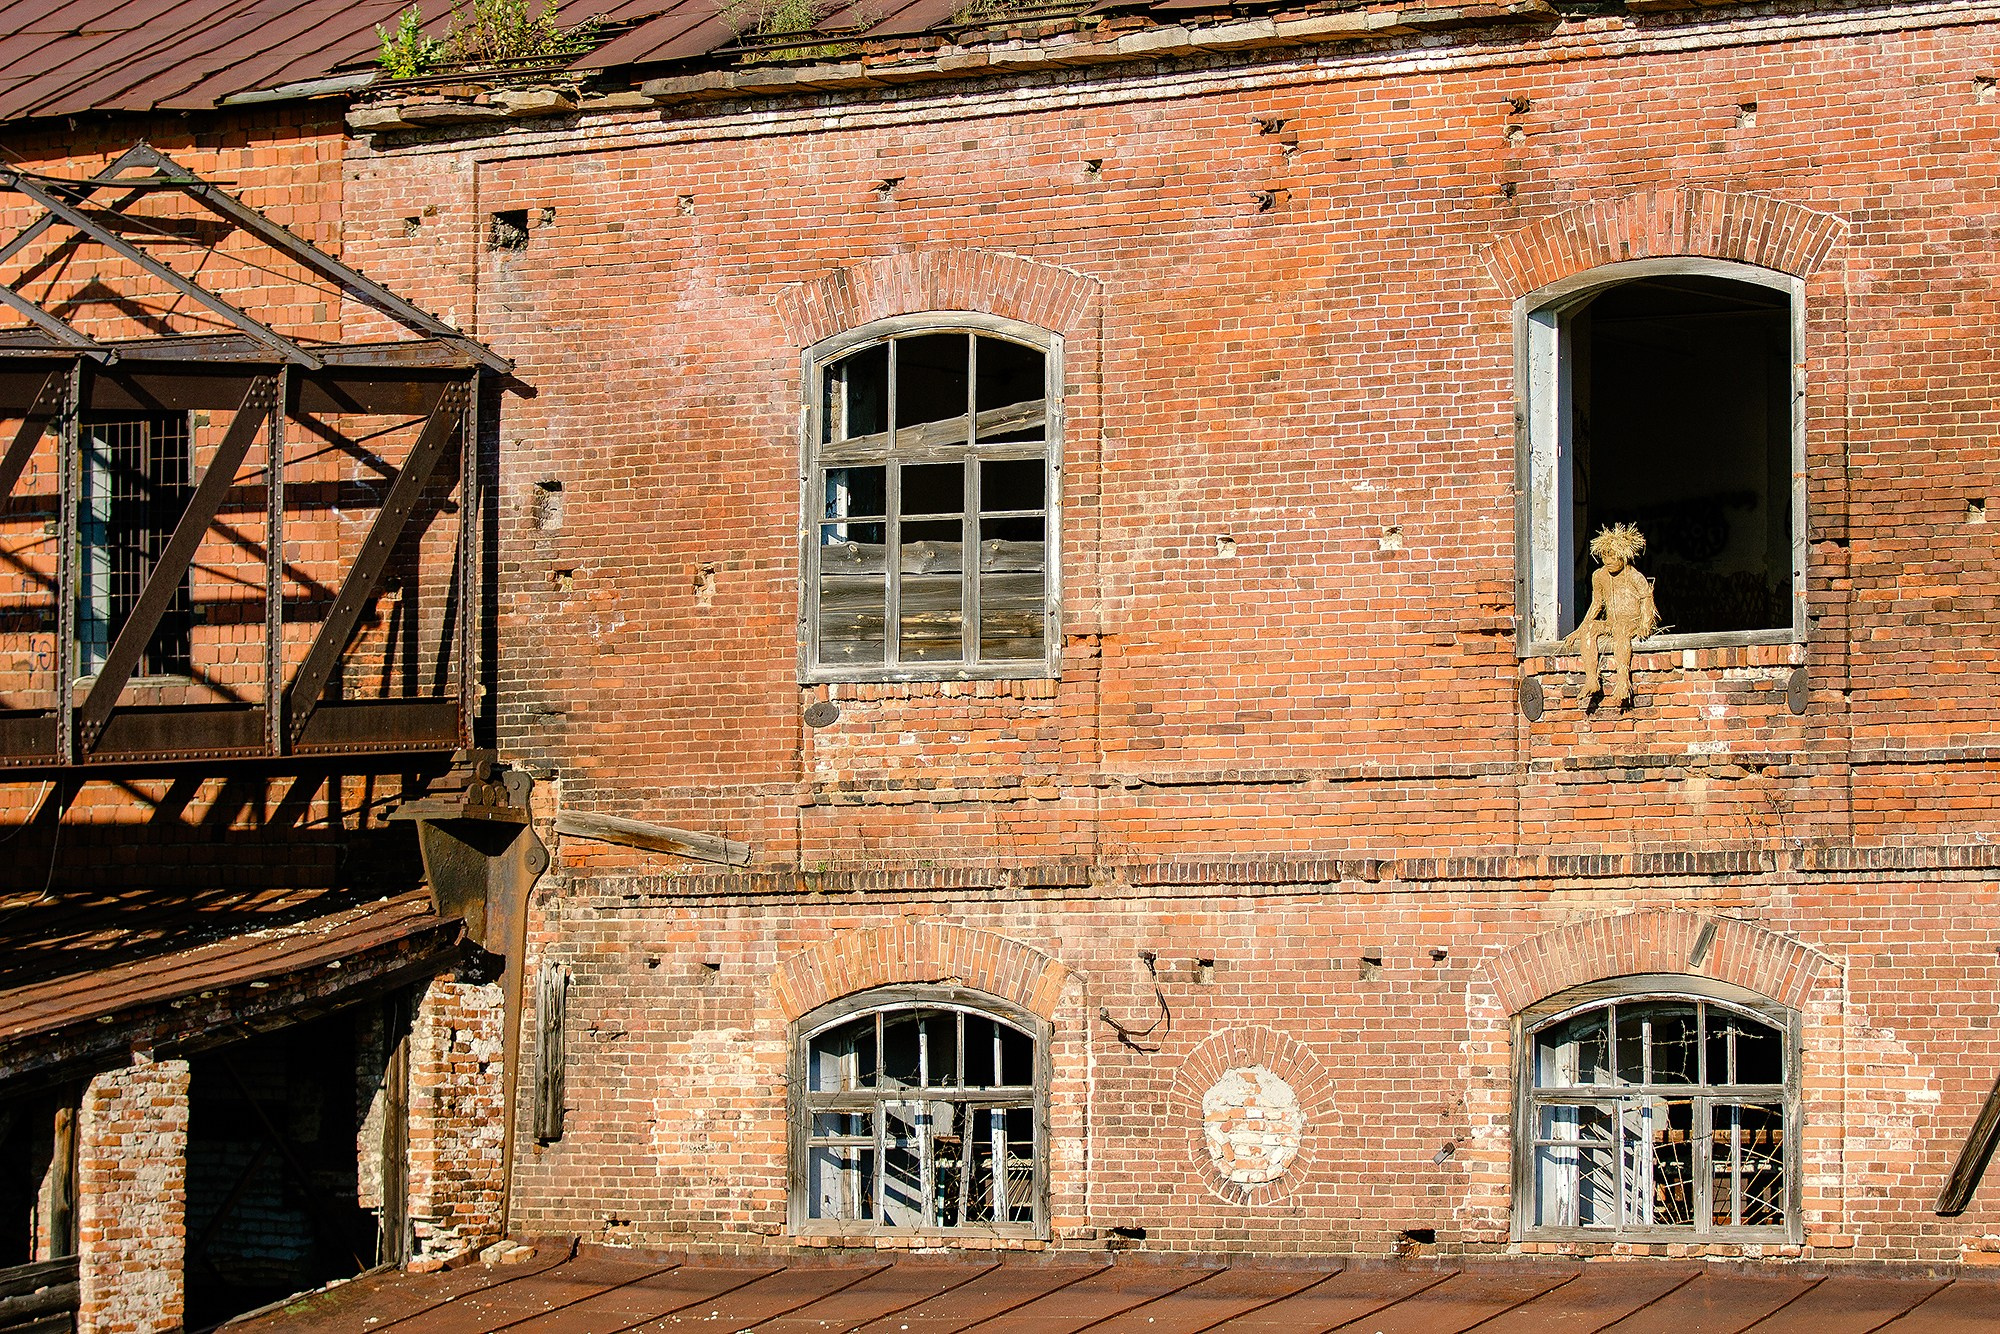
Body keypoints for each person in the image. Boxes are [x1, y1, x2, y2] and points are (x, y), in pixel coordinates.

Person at [1562, 523, 1658, 708]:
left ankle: (1623, 682)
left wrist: (1646, 623)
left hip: (1631, 622)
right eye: (1605, 556)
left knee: (1622, 629)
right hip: (1611, 622)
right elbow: (1596, 604)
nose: (1608, 561)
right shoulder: (1599, 576)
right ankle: (1591, 679)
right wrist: (1579, 631)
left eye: (1613, 556)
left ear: (1623, 555)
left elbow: (1647, 598)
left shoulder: (1634, 575)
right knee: (1590, 628)